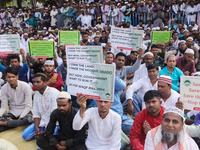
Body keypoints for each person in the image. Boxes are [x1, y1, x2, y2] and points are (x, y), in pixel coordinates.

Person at [22, 73, 60, 141]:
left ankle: (46, 135)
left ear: (45, 83)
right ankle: (42, 134)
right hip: (42, 122)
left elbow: (54, 115)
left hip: (54, 124)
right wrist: (36, 128)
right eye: (34, 82)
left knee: (43, 143)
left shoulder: (54, 93)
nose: (35, 84)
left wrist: (45, 131)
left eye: (38, 82)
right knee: (25, 136)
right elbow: (36, 114)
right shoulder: (36, 95)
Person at [0, 67, 32, 132]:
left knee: (28, 120)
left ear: (17, 77)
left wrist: (19, 119)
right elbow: (4, 107)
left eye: (13, 77)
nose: (11, 79)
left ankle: (11, 123)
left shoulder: (25, 86)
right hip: (13, 112)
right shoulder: (4, 88)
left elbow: (28, 106)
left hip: (25, 111)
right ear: (6, 77)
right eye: (9, 77)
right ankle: (13, 124)